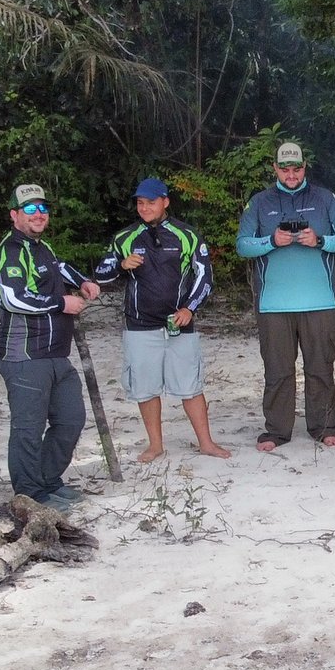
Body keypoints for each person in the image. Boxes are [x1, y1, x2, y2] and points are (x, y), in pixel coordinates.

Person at [92, 177, 229, 463]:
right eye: (140, 203)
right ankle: (155, 445)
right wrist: (120, 264)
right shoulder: (125, 238)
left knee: (190, 386)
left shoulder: (187, 235)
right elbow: (100, 275)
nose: (144, 208)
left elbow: (205, 277)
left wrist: (190, 309)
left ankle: (206, 442)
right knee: (145, 387)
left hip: (179, 324)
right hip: (140, 326)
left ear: (165, 202)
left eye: (150, 203)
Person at [236, 141, 335, 453]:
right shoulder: (259, 203)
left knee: (321, 367)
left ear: (305, 167)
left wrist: (320, 240)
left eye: (297, 168)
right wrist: (271, 240)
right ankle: (276, 430)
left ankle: (324, 426)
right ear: (275, 168)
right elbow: (243, 245)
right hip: (273, 303)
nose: (291, 173)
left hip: (320, 302)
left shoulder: (326, 198)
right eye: (285, 168)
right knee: (277, 370)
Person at [0, 182, 99, 510]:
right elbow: (13, 297)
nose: (38, 215)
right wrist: (61, 303)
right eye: (30, 209)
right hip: (23, 354)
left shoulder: (43, 248)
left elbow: (60, 267)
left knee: (70, 419)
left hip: (55, 354)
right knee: (28, 427)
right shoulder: (10, 250)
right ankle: (29, 495)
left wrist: (83, 281)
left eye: (43, 208)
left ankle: (47, 480)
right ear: (14, 215)